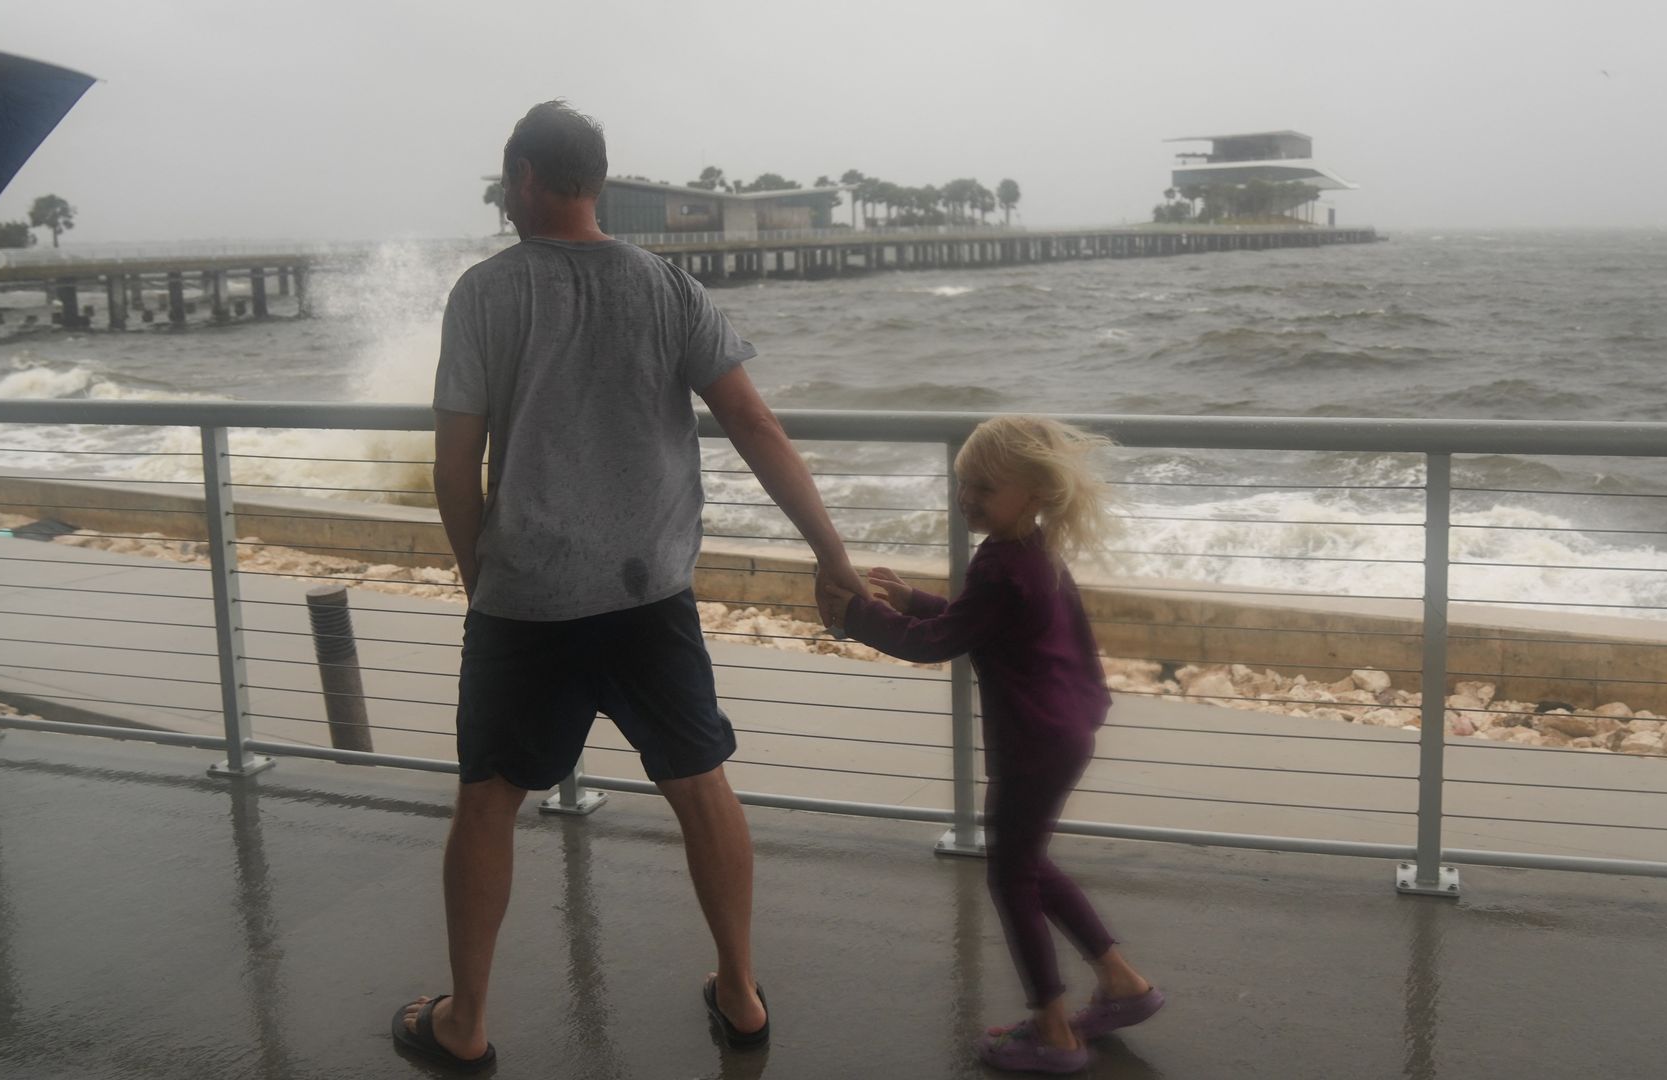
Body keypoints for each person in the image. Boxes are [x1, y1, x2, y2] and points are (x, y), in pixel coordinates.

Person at [392, 100, 869, 1073]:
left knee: (488, 801)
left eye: (505, 180)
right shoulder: (668, 287)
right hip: (650, 592)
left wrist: (480, 574)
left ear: (527, 177)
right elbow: (756, 426)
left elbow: (455, 465)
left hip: (525, 600)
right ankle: (738, 995)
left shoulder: (484, 294)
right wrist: (835, 557)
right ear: (596, 179)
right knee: (700, 786)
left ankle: (465, 1024)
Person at [824, 415, 1165, 1074]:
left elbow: (940, 643)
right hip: (1065, 731)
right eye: (962, 484)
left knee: (1012, 877)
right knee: (1030, 862)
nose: (966, 499)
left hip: (1032, 742)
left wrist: (859, 615)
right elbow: (984, 622)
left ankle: (1054, 1032)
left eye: (983, 487)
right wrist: (914, 597)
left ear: (1034, 492)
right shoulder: (1034, 553)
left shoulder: (1001, 564)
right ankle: (1122, 983)